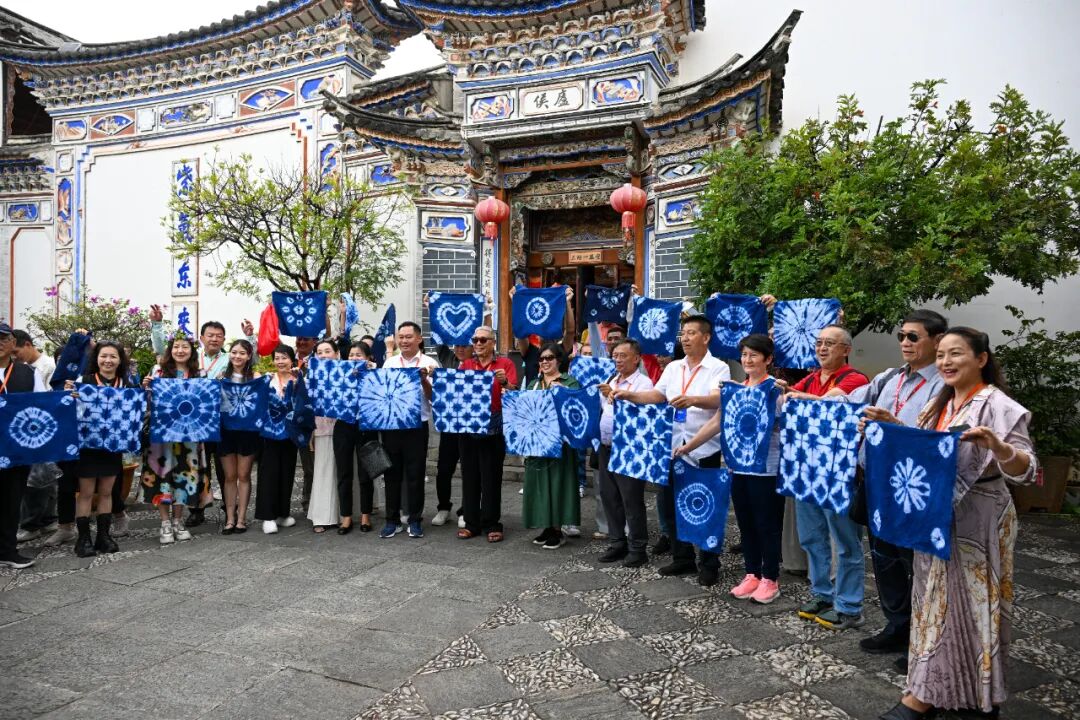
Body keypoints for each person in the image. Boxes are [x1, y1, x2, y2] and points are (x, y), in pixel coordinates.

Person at [877, 327, 1036, 720]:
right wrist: (893, 424)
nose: (946, 362)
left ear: (981, 359)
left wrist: (999, 447)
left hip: (980, 516)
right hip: (935, 515)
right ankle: (929, 690)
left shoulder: (998, 405)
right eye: (941, 355)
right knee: (933, 603)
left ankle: (973, 696)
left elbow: (1027, 470)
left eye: (956, 354)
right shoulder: (940, 402)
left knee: (974, 606)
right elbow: (926, 451)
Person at [850, 310, 947, 669]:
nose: (905, 343)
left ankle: (922, 641)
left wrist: (892, 424)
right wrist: (801, 396)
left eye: (913, 337)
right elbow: (850, 401)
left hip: (913, 487)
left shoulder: (943, 385)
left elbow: (937, 440)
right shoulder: (890, 378)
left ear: (937, 341)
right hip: (879, 480)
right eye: (901, 336)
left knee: (917, 564)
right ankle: (897, 625)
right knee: (884, 558)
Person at [612, 314, 729, 586]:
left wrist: (693, 400)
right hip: (672, 446)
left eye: (691, 333)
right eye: (683, 333)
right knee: (672, 505)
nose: (685, 338)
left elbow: (718, 399)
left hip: (703, 447)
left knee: (705, 506)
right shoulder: (675, 367)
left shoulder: (718, 367)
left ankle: (709, 562)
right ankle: (682, 557)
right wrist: (630, 395)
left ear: (706, 337)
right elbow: (658, 395)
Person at [676, 334, 785, 603]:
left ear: (768, 359)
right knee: (746, 523)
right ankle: (752, 573)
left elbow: (786, 426)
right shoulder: (735, 389)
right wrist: (689, 447)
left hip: (767, 469)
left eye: (754, 355)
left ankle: (770, 578)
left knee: (767, 524)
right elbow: (717, 422)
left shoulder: (775, 390)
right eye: (744, 355)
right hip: (738, 466)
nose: (747, 360)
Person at [782, 324, 870, 629]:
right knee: (811, 537)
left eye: (829, 343)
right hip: (807, 470)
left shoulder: (855, 379)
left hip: (839, 474)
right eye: (819, 342)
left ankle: (849, 605)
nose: (822, 348)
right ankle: (822, 593)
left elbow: (828, 403)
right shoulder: (811, 378)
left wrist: (794, 396)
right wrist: (789, 394)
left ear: (846, 350)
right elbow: (788, 399)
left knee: (846, 542)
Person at [149, 309, 254, 526]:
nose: (214, 339)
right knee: (196, 466)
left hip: (222, 421)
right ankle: (196, 509)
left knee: (226, 469)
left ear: (224, 339)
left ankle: (230, 508)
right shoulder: (193, 359)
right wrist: (157, 325)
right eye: (210, 335)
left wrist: (250, 337)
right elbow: (163, 352)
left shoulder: (228, 358)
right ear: (202, 337)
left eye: (219, 336)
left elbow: (249, 362)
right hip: (194, 423)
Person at [64, 342, 136, 557]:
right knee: (86, 493)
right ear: (96, 359)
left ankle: (103, 536)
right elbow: (70, 411)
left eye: (113, 356)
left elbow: (134, 413)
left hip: (112, 446)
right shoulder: (83, 382)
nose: (108, 361)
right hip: (87, 446)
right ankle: (83, 538)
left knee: (106, 492)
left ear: (120, 360)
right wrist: (68, 397)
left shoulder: (126, 385)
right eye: (104, 356)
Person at [457, 326, 518, 543]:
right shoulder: (466, 365)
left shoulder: (505, 364)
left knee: (491, 477)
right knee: (469, 476)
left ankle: (492, 522)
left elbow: (515, 394)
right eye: (475, 340)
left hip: (494, 426)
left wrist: (504, 382)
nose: (478, 343)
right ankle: (471, 523)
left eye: (483, 340)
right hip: (468, 426)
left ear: (493, 342)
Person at [596, 338, 654, 567]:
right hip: (606, 446)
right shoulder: (611, 379)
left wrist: (615, 395)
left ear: (636, 358)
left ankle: (638, 547)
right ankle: (617, 542)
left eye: (623, 356)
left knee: (631, 499)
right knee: (609, 496)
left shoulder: (644, 383)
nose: (618, 360)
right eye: (615, 356)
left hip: (629, 448)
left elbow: (642, 415)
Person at [379, 322, 439, 539]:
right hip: (392, 425)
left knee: (416, 474)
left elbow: (435, 398)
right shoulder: (390, 362)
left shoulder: (429, 363)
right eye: (401, 337)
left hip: (416, 427)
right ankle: (391, 520)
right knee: (391, 474)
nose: (404, 341)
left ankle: (415, 520)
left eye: (408, 337)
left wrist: (423, 380)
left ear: (419, 339)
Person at [142, 335, 201, 545]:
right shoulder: (157, 371)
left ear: (192, 351)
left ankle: (178, 520)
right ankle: (165, 522)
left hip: (188, 435)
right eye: (176, 346)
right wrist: (146, 387)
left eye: (185, 347)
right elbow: (148, 402)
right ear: (170, 350)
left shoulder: (198, 374)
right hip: (161, 435)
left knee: (184, 476)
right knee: (162, 476)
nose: (180, 350)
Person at [522, 343, 580, 549]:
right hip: (537, 442)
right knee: (540, 484)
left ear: (559, 360)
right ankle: (546, 525)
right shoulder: (534, 384)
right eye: (541, 358)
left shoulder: (569, 382)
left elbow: (576, 409)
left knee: (558, 483)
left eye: (549, 358)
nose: (545, 362)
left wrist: (564, 393)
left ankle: (557, 529)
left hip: (560, 443)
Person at [0, 322, 46, 569]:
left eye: (3, 339)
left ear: (12, 343)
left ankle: (7, 550)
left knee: (12, 500)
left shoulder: (28, 373)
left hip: (17, 449)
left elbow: (42, 406)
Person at [12, 329, 60, 543]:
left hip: (40, 426)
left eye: (16, 351)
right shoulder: (22, 367)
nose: (15, 357)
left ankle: (33, 523)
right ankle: (46, 519)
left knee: (38, 479)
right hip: (28, 426)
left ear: (28, 345)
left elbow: (47, 398)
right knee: (43, 477)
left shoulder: (46, 366)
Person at [256, 345, 303, 534]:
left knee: (287, 472)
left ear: (292, 360)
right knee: (269, 473)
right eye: (277, 358)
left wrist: (296, 386)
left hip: (291, 432)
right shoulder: (267, 380)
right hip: (270, 433)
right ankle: (268, 516)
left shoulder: (298, 379)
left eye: (284, 357)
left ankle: (283, 513)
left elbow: (305, 404)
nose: (281, 361)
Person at [333, 341, 378, 533]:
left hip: (367, 426)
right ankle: (346, 517)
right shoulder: (340, 375)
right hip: (343, 426)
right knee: (344, 473)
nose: (354, 358)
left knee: (366, 473)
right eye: (351, 355)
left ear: (368, 358)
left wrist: (372, 371)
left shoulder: (375, 375)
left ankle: (366, 516)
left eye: (358, 355)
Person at [219, 339, 261, 534]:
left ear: (249, 356)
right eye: (234, 352)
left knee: (244, 475)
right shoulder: (222, 376)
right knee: (229, 476)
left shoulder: (255, 377)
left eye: (242, 353)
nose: (237, 356)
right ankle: (230, 518)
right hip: (226, 431)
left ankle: (242, 518)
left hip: (248, 432)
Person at [434, 343, 474, 528]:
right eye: (457, 346)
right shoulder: (449, 359)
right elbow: (439, 339)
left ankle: (466, 509)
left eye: (465, 346)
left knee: (469, 470)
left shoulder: (478, 363)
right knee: (444, 469)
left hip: (470, 425)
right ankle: (443, 507)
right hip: (449, 424)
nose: (460, 349)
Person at [308, 339, 341, 532]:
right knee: (323, 470)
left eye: (327, 351)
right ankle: (321, 516)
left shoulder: (347, 373)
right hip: (321, 427)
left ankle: (342, 514)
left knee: (343, 472)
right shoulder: (311, 375)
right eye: (319, 352)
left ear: (337, 353)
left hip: (345, 427)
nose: (323, 355)